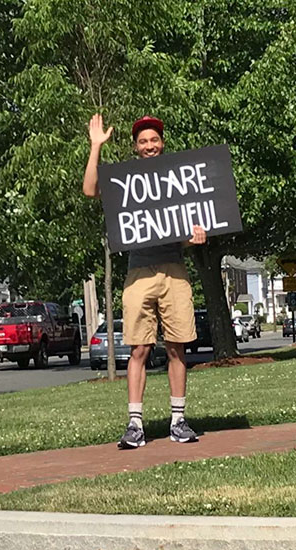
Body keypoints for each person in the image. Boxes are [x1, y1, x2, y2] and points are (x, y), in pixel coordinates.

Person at [82, 114, 206, 449]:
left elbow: (184, 227)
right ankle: (135, 424)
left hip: (174, 271)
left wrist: (194, 238)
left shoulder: (178, 178)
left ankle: (178, 420)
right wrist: (96, 146)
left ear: (161, 143)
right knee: (139, 348)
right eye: (143, 141)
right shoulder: (125, 179)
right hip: (138, 272)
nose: (149, 145)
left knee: (178, 347)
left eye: (154, 140)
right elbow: (90, 188)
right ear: (136, 147)